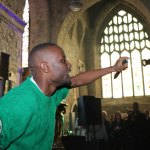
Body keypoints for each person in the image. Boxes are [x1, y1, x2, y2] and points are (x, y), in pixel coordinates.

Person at [0, 43, 128, 150]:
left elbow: (77, 80)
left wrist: (113, 68)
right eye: (63, 60)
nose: (69, 65)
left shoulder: (52, 91)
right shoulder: (20, 102)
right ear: (45, 67)